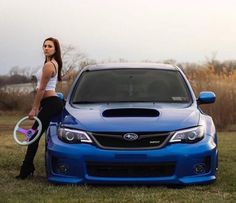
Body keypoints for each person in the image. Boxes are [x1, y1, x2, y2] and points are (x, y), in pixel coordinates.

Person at [16, 37, 64, 179]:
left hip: (51, 103)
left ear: (55, 49)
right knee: (35, 135)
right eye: (45, 46)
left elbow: (42, 88)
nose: (46, 48)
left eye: (50, 46)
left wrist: (34, 108)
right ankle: (28, 167)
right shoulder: (50, 63)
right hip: (50, 103)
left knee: (33, 134)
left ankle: (26, 169)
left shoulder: (49, 65)